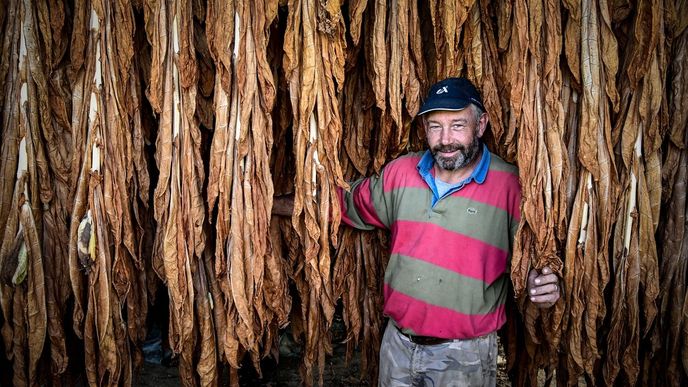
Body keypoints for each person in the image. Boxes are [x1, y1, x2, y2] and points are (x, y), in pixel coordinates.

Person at [275, 77, 560, 386]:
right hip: (398, 347)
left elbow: (536, 254)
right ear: (425, 129)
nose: (446, 139)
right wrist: (268, 204)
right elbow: (342, 204)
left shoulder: (510, 186)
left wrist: (543, 281)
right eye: (435, 126)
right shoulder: (401, 173)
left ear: (481, 125)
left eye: (458, 125)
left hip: (464, 356)